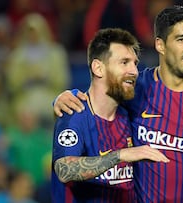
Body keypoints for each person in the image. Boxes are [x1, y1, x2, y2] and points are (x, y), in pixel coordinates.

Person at [54, 5, 183, 202]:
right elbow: (100, 93)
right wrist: (66, 97)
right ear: (160, 44)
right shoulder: (136, 88)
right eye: (182, 39)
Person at [51, 28, 170, 203]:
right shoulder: (74, 114)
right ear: (98, 68)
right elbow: (64, 169)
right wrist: (120, 155)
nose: (134, 71)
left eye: (135, 63)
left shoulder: (131, 112)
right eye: (124, 62)